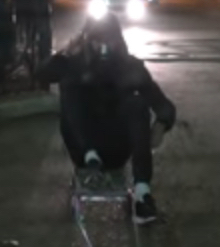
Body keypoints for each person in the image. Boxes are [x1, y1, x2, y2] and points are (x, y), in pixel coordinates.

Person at [38, 13, 176, 224]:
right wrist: (67, 53)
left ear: (118, 41)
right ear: (88, 40)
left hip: (116, 149)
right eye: (97, 41)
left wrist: (162, 124)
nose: (103, 48)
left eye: (108, 41)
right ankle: (91, 157)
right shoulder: (75, 64)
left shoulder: (129, 67)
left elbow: (164, 105)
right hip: (83, 150)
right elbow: (42, 73)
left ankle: (142, 194)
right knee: (70, 87)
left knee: (136, 103)